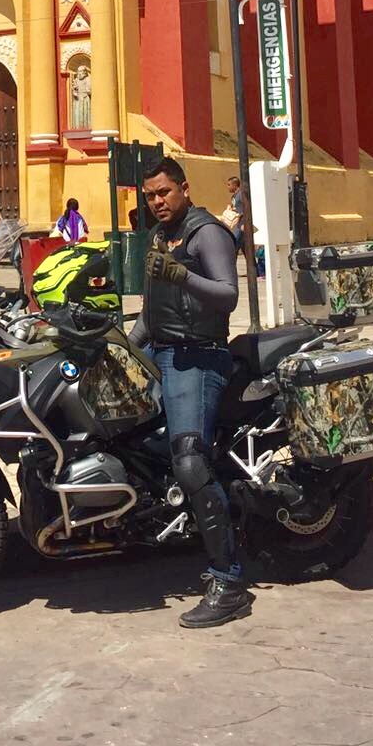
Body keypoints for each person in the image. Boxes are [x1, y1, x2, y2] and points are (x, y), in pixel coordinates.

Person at [128, 157, 251, 630]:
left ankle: (229, 580)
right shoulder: (161, 236)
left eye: (164, 192)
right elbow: (151, 311)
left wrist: (181, 275)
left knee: (189, 460)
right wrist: (124, 351)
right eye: (150, 196)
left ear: (184, 188)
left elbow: (228, 295)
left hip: (198, 355)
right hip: (161, 349)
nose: (157, 201)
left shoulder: (207, 233)